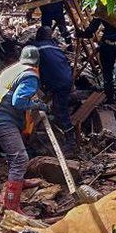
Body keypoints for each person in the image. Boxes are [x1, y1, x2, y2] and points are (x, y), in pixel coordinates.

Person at [0, 46, 49, 213]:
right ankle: (11, 205)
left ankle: (17, 181)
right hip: (1, 118)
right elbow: (18, 102)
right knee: (20, 158)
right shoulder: (30, 76)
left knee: (15, 154)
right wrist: (36, 104)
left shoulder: (13, 69)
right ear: (37, 62)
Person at [33, 26, 76, 154]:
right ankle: (59, 120)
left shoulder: (36, 48)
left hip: (57, 82)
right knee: (60, 103)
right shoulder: (55, 47)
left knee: (61, 109)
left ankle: (71, 142)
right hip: (66, 80)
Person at [78, 11, 116, 107]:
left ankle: (111, 98)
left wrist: (80, 33)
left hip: (110, 44)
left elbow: (90, 31)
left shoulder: (101, 8)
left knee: (108, 72)